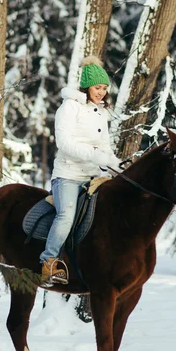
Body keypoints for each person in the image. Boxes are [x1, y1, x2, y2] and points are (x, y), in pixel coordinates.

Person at [40, 56, 121, 285]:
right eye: (97, 87)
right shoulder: (69, 107)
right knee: (66, 215)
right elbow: (64, 143)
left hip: (93, 177)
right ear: (86, 86)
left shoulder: (100, 112)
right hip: (67, 175)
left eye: (104, 88)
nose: (101, 92)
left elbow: (104, 147)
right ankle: (49, 262)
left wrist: (115, 163)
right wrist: (93, 155)